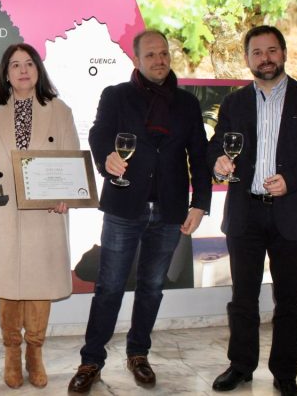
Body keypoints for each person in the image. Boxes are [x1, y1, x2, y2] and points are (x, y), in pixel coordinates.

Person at [68, 30, 212, 393]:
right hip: (123, 207)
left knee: (151, 288)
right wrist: (106, 159)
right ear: (136, 60)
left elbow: (199, 155)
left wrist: (200, 204)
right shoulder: (116, 95)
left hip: (169, 211)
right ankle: (91, 360)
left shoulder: (187, 103)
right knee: (109, 287)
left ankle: (138, 354)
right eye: (150, 55)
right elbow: (99, 135)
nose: (159, 60)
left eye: (164, 53)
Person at [208, 25, 297, 396]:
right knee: (243, 299)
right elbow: (215, 145)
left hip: (293, 213)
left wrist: (292, 179)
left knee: (290, 302)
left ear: (283, 53)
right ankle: (241, 366)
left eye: (271, 50)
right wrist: (217, 161)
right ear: (247, 59)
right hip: (245, 214)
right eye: (257, 52)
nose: (265, 58)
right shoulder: (235, 103)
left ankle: (285, 374)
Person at [0, 43, 80, 389]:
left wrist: (65, 196)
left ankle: (35, 352)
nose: (22, 70)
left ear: (38, 70)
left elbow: (71, 157)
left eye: (29, 63)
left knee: (40, 283)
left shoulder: (59, 109)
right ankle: (11, 353)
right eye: (15, 65)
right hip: (2, 209)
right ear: (5, 73)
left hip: (44, 211)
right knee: (8, 284)